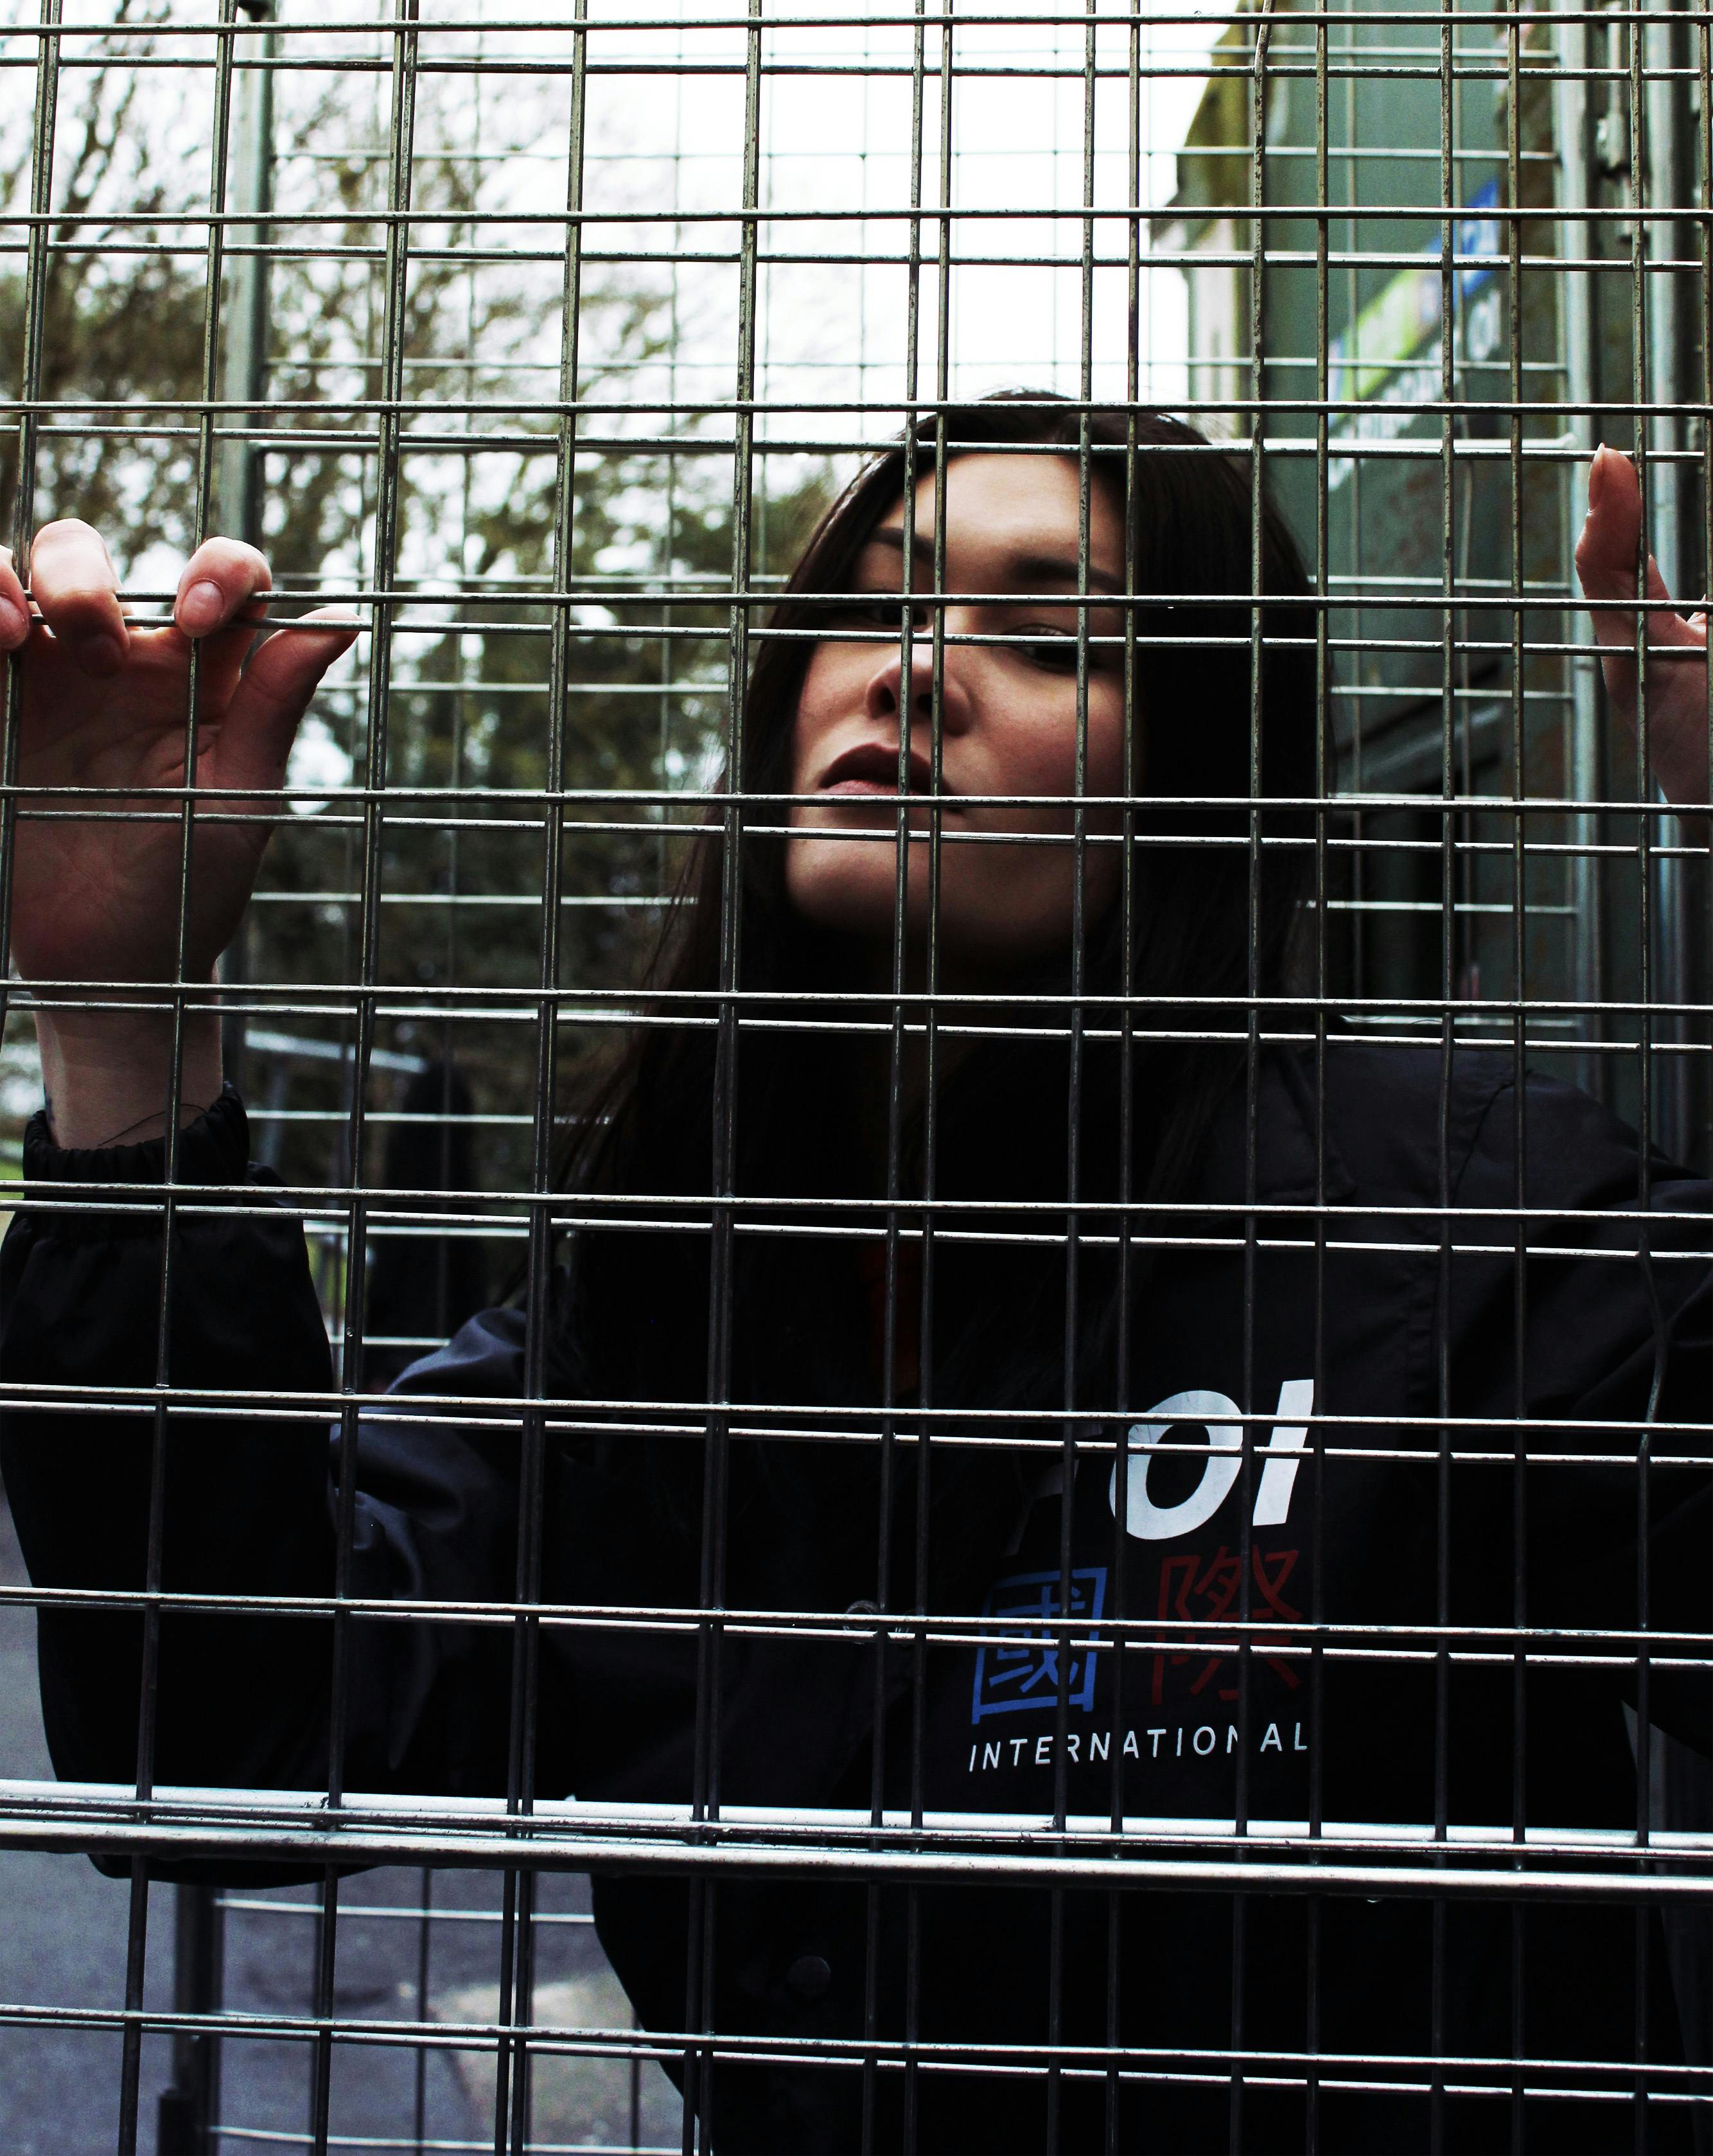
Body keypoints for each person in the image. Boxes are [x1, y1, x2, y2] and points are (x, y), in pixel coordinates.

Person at [0, 397, 1709, 2153]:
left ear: (1201, 770)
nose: (912, 677)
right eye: (868, 613)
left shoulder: (1465, 1230)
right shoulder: (671, 1301)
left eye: (1049, 643)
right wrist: (124, 1014)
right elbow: (225, 1734)